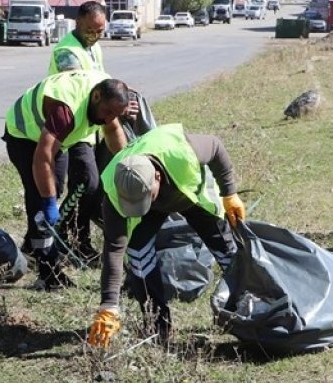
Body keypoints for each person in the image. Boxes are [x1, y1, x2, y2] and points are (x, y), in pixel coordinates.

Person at [86, 124, 245, 346]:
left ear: (157, 177)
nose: (138, 206)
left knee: (228, 252)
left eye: (144, 198)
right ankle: (157, 326)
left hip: (189, 192)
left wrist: (229, 193)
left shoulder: (181, 152)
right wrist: (109, 306)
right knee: (137, 253)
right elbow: (114, 249)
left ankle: (247, 309)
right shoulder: (116, 190)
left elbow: (216, 147)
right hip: (155, 202)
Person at [3, 70, 130, 290]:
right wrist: (49, 202)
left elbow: (112, 130)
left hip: (54, 138)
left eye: (114, 114)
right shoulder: (65, 111)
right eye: (107, 112)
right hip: (24, 134)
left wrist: (128, 166)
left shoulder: (106, 96)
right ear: (96, 96)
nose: (108, 119)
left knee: (55, 186)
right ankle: (48, 273)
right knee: (40, 199)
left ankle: (34, 248)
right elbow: (42, 157)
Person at [46, 0, 109, 261]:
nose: (95, 36)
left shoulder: (94, 48)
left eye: (100, 31)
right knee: (86, 183)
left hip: (90, 128)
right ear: (78, 23)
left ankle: (72, 234)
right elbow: (78, 88)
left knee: (93, 186)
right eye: (90, 31)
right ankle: (65, 234)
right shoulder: (66, 52)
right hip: (70, 127)